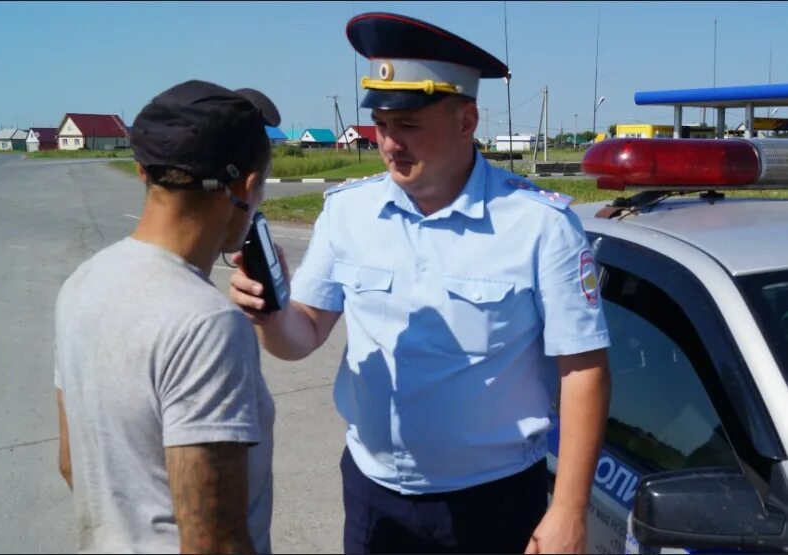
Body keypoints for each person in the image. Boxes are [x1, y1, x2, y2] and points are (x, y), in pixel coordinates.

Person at [230, 12, 611, 555]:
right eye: (381, 124)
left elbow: (583, 369)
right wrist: (270, 315)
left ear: (466, 120)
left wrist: (569, 511)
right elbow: (305, 333)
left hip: (494, 502)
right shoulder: (348, 212)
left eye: (408, 126)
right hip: (372, 493)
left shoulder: (539, 225)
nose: (389, 143)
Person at [54, 79, 280, 554]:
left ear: (142, 172)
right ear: (247, 187)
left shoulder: (82, 283)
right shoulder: (208, 325)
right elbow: (212, 542)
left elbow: (71, 462)